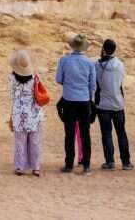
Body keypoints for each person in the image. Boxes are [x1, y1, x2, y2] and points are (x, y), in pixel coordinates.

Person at [55, 33, 96, 173]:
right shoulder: (90, 63)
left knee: (69, 133)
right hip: (84, 100)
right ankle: (86, 164)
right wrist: (89, 97)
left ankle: (69, 164)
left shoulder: (64, 60)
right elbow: (92, 85)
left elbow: (59, 79)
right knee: (85, 133)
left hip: (69, 99)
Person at [95, 39, 132, 170]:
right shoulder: (120, 65)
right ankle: (126, 162)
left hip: (103, 104)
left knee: (106, 133)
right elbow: (120, 82)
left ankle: (110, 162)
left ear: (103, 49)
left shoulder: (97, 65)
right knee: (121, 133)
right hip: (118, 103)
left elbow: (95, 84)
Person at [8, 50, 44, 176]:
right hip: (34, 113)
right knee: (35, 140)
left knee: (20, 141)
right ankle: (36, 167)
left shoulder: (12, 78)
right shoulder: (35, 77)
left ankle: (20, 167)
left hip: (18, 113)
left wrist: (11, 116)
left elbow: (12, 97)